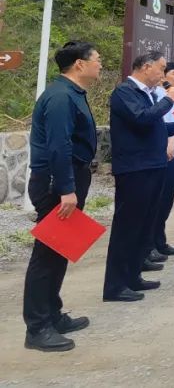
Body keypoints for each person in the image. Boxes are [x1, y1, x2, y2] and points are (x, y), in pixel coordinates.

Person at [23, 41, 101, 352]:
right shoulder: (59, 98)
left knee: (60, 249)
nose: (100, 63)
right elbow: (58, 146)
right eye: (96, 59)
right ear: (79, 65)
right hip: (56, 183)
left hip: (68, 178)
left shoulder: (70, 93)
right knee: (47, 255)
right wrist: (67, 189)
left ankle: (52, 314)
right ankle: (37, 327)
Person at [103, 51, 174, 303]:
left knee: (144, 224)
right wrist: (169, 100)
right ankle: (115, 285)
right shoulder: (125, 92)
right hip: (134, 169)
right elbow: (141, 119)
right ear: (146, 67)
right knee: (127, 228)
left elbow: (153, 126)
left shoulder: (146, 94)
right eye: (161, 69)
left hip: (153, 165)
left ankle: (133, 275)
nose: (163, 75)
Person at [144, 63, 174, 270]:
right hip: (167, 147)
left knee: (167, 197)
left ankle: (160, 240)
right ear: (163, 77)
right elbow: (162, 120)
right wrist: (169, 143)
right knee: (159, 198)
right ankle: (150, 244)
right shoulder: (160, 95)